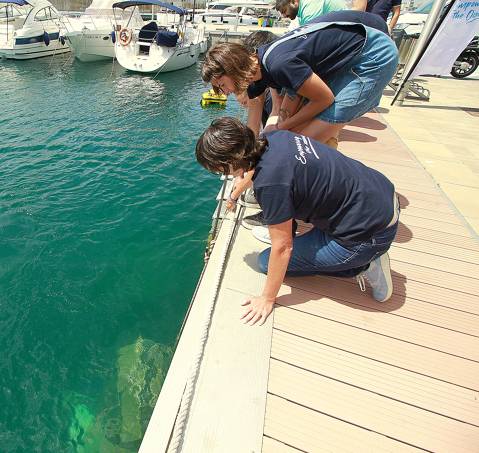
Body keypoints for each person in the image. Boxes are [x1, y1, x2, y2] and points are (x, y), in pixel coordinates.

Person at [196, 117, 400, 325]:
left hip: (367, 234)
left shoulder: (270, 184)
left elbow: (283, 248)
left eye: (218, 169)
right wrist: (235, 194)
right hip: (380, 196)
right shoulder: (273, 137)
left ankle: (366, 264)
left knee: (266, 261)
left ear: (230, 162)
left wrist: (267, 299)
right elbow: (269, 174)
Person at [201, 11, 398, 144]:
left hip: (372, 55)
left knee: (308, 137)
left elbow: (324, 99)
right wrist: (261, 141)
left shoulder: (279, 63)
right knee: (290, 133)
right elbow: (266, 117)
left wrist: (283, 127)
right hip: (346, 59)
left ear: (232, 67)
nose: (224, 93)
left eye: (221, 84)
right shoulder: (257, 72)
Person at [275, 0, 347, 27]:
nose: (284, 16)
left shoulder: (309, 7)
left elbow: (308, 37)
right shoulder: (302, 12)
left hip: (348, 29)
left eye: (284, 11)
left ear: (294, 2)